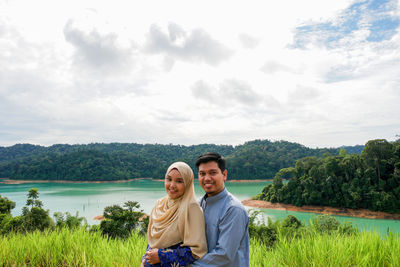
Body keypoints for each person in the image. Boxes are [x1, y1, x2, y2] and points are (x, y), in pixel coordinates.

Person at [142, 162, 207, 267]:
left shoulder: (191, 208)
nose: (172, 185)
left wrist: (161, 256)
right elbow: (153, 242)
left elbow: (196, 251)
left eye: (179, 181)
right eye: (169, 179)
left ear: (187, 183)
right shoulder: (160, 204)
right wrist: (145, 259)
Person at [190, 152, 249, 267]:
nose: (207, 178)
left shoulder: (233, 209)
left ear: (224, 174)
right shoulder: (198, 205)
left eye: (213, 173)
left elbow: (223, 255)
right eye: (202, 174)